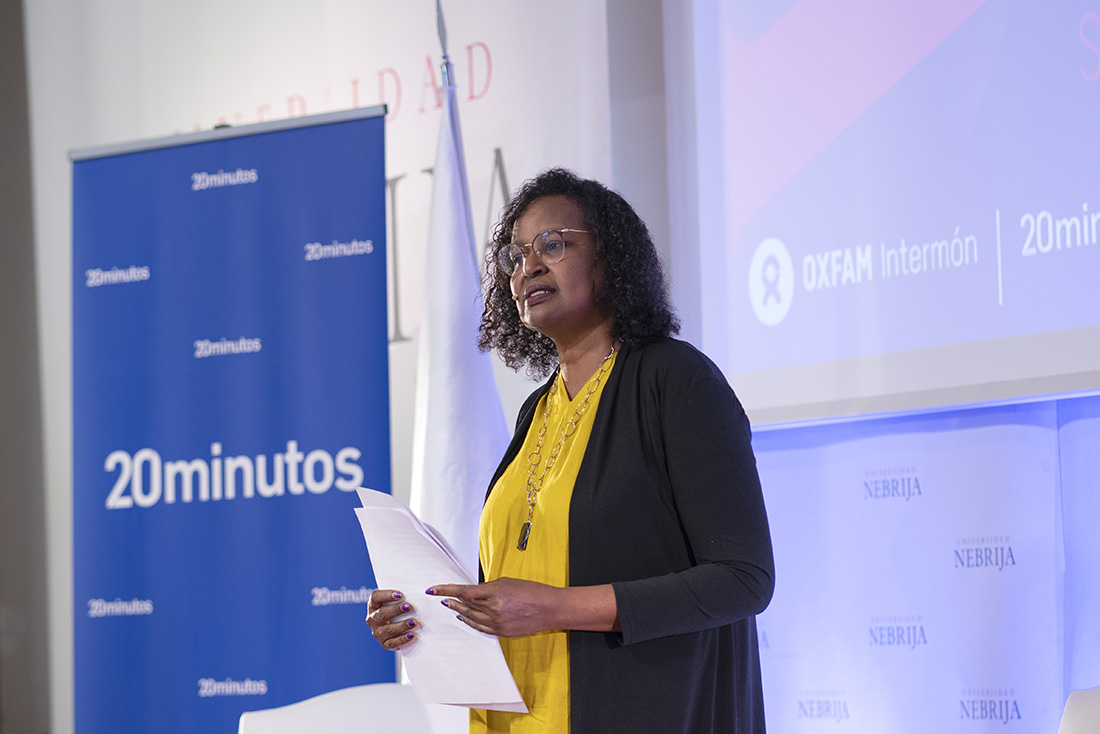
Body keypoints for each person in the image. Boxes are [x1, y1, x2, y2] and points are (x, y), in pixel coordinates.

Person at [368, 168, 774, 733]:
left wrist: (552, 608)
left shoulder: (677, 380)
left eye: (552, 245)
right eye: (514, 256)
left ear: (609, 258)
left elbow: (742, 578)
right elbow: (515, 586)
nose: (528, 267)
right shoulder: (535, 412)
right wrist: (427, 616)